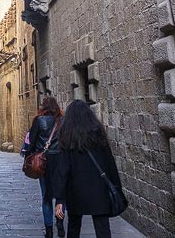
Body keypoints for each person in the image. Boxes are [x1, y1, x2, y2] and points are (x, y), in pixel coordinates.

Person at [52, 100, 124, 238]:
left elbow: (63, 170)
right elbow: (109, 163)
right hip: (99, 189)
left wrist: (60, 199)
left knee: (73, 226)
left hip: (76, 190)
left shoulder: (67, 137)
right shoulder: (98, 134)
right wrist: (116, 187)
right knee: (102, 228)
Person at [24, 97, 65, 238]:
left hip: (44, 161)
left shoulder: (39, 120)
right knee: (61, 194)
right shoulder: (62, 120)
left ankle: (49, 231)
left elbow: (32, 140)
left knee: (46, 195)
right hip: (60, 160)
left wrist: (29, 154)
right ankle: (60, 222)